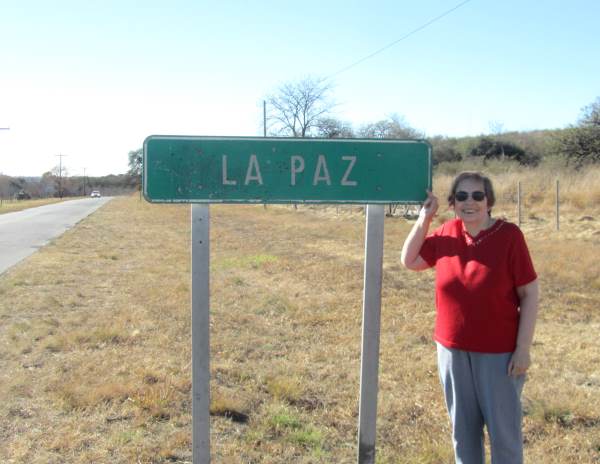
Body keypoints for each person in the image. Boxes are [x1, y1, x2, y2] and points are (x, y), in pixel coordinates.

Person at [401, 171, 539, 464]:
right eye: (461, 196)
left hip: (499, 354)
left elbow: (529, 294)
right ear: (452, 203)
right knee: (463, 433)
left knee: (504, 436)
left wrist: (523, 349)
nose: (470, 202)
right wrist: (425, 218)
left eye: (478, 195)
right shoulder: (446, 233)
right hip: (451, 350)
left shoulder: (509, 236)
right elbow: (409, 260)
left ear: (489, 201)